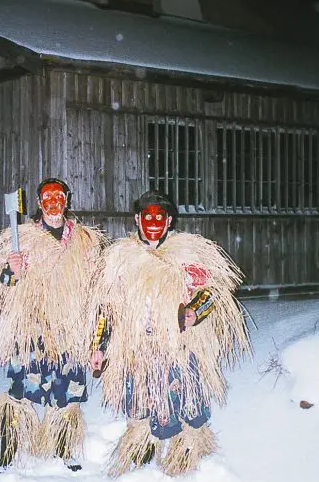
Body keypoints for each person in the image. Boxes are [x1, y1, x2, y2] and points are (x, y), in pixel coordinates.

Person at [90, 190, 250, 477]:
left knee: (184, 400)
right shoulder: (120, 258)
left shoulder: (188, 253)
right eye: (147, 216)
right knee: (140, 404)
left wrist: (194, 312)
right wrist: (99, 346)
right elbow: (106, 309)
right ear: (137, 219)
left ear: (169, 220)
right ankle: (141, 451)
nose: (153, 222)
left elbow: (213, 292)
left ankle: (184, 454)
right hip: (136, 349)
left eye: (160, 216)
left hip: (179, 347)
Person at [0, 178, 105, 475]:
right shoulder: (22, 239)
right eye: (47, 198)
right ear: (39, 203)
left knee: (67, 394)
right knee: (19, 392)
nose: (53, 203)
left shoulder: (85, 241)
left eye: (59, 197)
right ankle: (8, 450)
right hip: (32, 329)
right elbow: (1, 288)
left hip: (69, 331)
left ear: (66, 200)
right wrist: (11, 271)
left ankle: (63, 446)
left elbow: (97, 293)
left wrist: (96, 342)